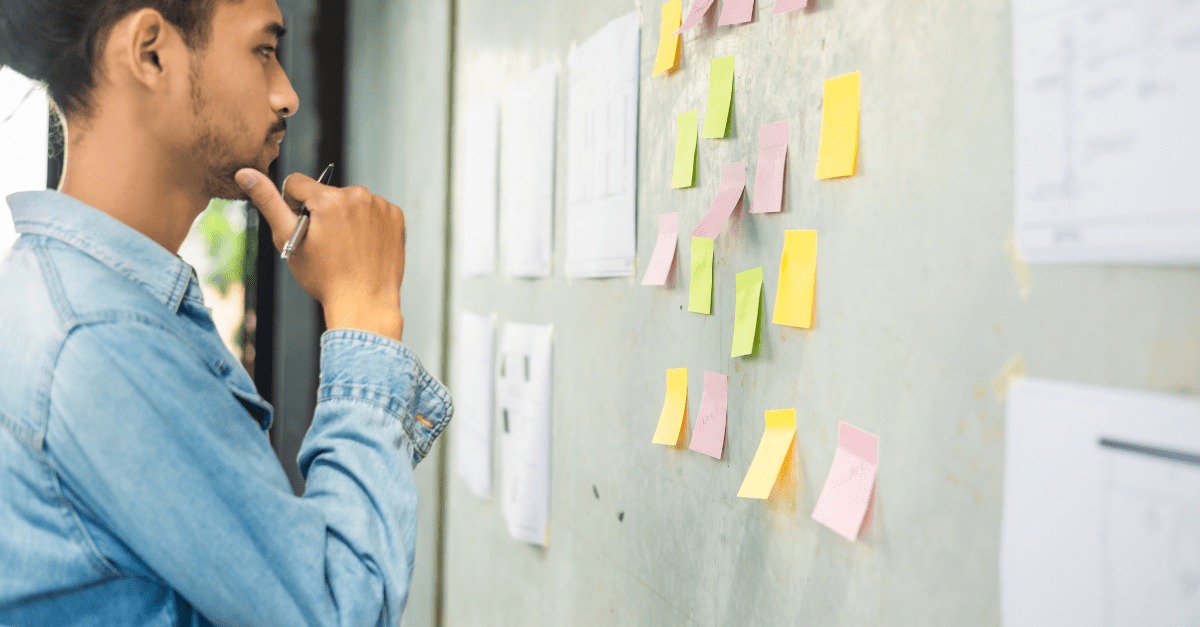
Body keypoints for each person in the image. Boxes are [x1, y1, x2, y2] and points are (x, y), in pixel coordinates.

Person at [0, 0, 452, 624]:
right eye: (263, 51)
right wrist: (364, 314)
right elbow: (344, 608)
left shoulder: (71, 297)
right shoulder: (100, 339)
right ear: (152, 53)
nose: (287, 95)